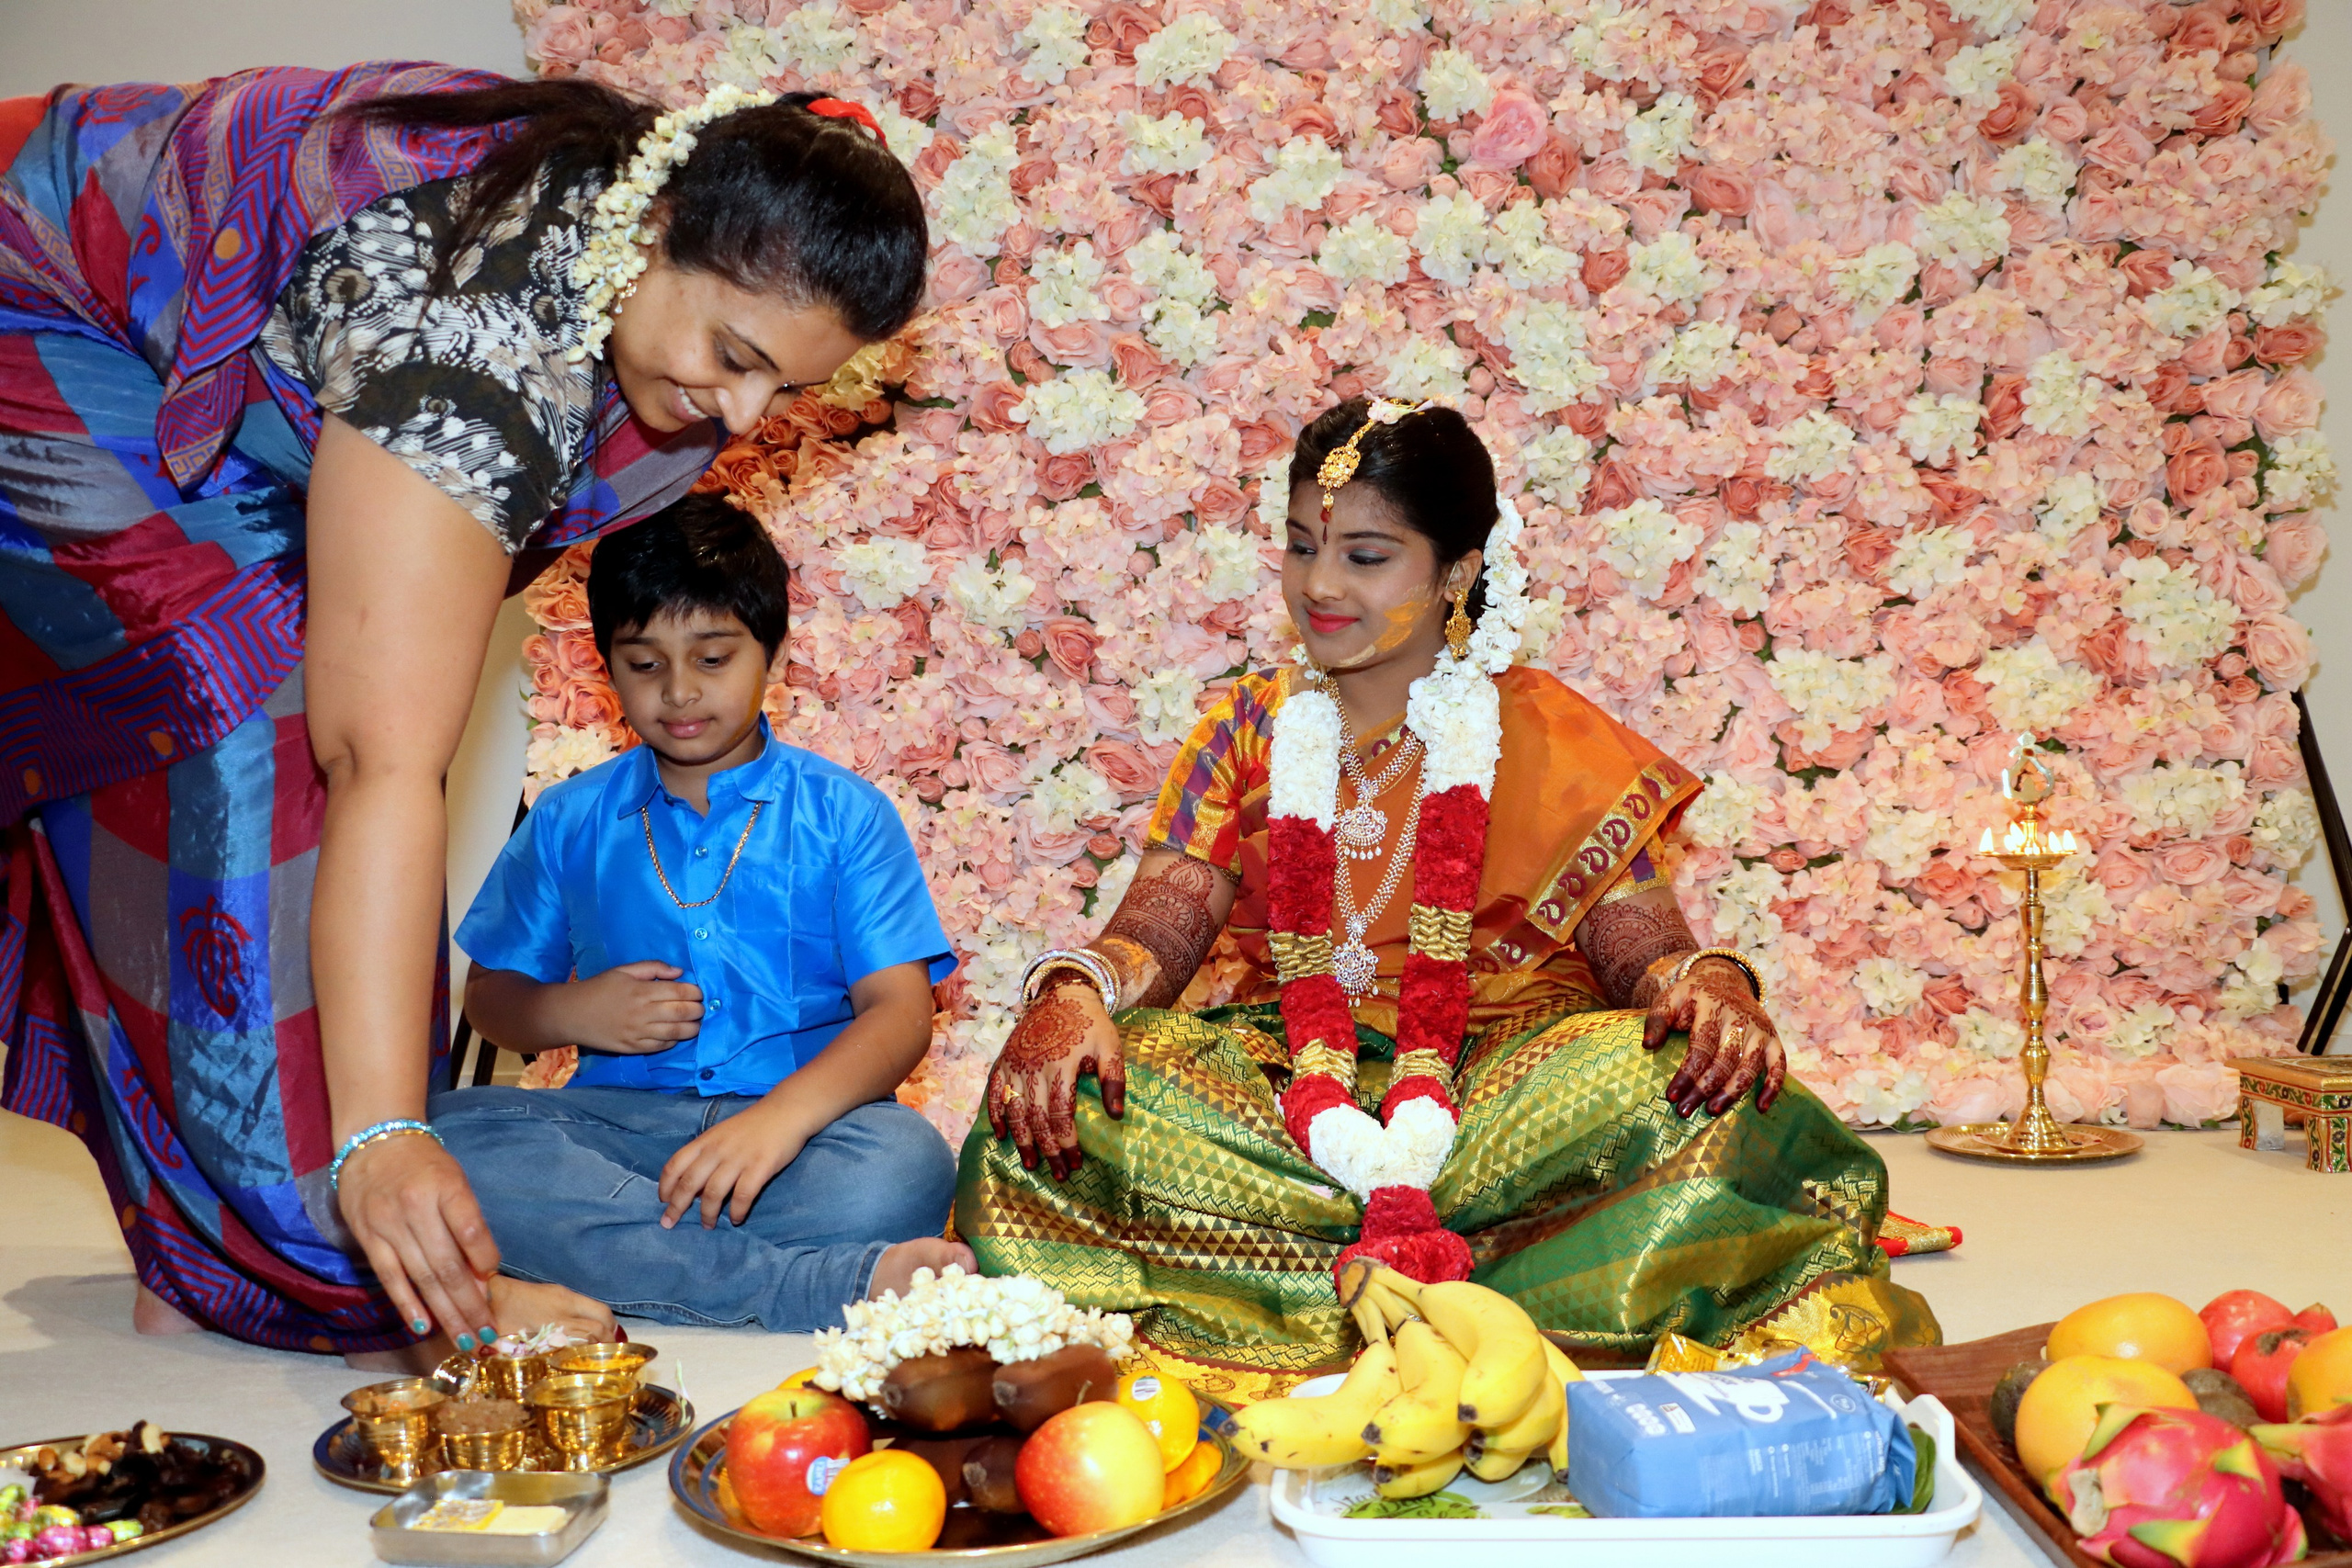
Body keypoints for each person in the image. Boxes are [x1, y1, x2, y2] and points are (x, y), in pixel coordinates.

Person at [0, 65, 928, 1358]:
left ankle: (230, 1244)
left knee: (887, 1163)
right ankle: (348, 1251)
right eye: (732, 357)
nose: (743, 416)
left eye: (785, 389)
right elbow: (380, 759)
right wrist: (384, 1134)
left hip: (169, 356)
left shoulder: (611, 253)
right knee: (239, 709)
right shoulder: (473, 361)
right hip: (36, 309)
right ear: (652, 232)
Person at [957, 398, 1936, 1381]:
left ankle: (1291, 1279)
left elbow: (1641, 953)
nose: (1320, 586)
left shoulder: (1543, 728)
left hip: (1512, 1090)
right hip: (1285, 1084)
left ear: (1457, 571)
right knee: (1053, 1117)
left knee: (1694, 1093)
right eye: (1301, 548)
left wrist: (1711, 986)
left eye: (1366, 556)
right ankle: (1511, 1276)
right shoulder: (1249, 723)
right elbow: (1162, 925)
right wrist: (1073, 990)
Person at [430, 496, 967, 1330]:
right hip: (616, 1132)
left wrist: (776, 1124)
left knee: (903, 1166)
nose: (679, 692)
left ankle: (617, 1251)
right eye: (644, 665)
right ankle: (805, 1284)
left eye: (712, 658)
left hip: (797, 1145)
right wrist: (575, 1008)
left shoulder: (845, 814)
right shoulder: (571, 816)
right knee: (436, 1130)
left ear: (771, 655)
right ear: (607, 665)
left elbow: (900, 1014)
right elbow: (491, 998)